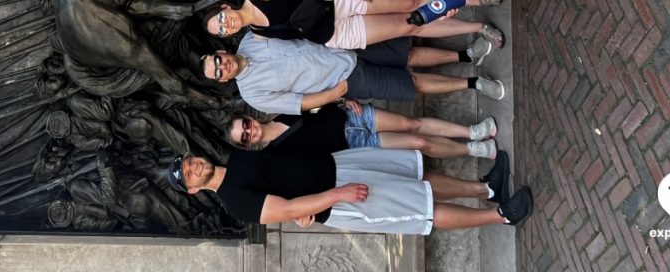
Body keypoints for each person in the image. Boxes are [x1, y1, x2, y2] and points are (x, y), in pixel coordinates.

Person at [167, 148, 533, 233]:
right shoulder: (235, 203)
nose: (194, 168)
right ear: (193, 190)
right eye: (188, 175)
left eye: (189, 162)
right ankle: (500, 215)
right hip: (339, 197)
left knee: (416, 175)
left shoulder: (237, 158)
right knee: (420, 209)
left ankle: (486, 188)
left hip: (338, 164)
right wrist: (336, 196)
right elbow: (288, 208)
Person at [201, 33, 507, 115]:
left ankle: (467, 54)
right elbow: (299, 104)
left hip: (343, 43)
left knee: (407, 54)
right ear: (223, 80)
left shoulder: (251, 39)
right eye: (218, 73)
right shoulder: (252, 94)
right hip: (344, 79)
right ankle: (473, 84)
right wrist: (337, 93)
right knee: (411, 83)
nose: (221, 66)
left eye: (217, 60)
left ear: (221, 52)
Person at [203, 0, 505, 54]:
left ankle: (477, 0)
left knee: (410, 4)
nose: (225, 24)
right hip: (335, 33)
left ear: (225, 8)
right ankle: (477, 30)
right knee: (410, 26)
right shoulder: (257, 34)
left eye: (220, 19)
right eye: (221, 30)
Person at [227, 103, 499, 160]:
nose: (249, 132)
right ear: (248, 145)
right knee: (418, 142)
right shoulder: (277, 153)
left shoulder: (279, 111)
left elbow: (313, 101)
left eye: (246, 126)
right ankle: (471, 149)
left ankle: (471, 131)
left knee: (411, 123)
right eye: (245, 137)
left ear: (250, 118)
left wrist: (343, 101)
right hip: (355, 144)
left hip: (351, 116)